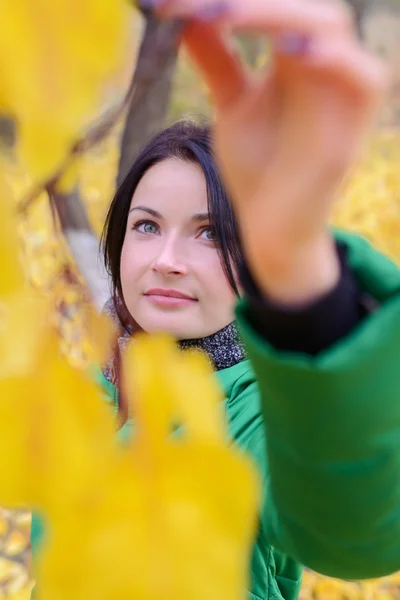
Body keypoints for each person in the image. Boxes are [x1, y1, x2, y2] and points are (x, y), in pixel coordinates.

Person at [31, 1, 400, 599]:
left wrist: (299, 267)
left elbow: (359, 535)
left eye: (209, 233)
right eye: (147, 226)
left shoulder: (259, 416)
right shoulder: (77, 404)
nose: (167, 259)